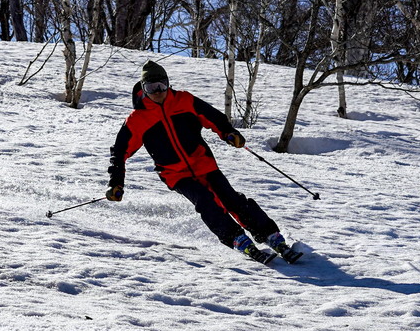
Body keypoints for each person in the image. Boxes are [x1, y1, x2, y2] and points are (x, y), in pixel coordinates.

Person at [106, 60, 300, 264]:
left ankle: (270, 235)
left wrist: (228, 132)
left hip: (204, 164)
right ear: (143, 90)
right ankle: (236, 238)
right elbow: (119, 152)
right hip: (176, 175)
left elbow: (213, 116)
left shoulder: (184, 100)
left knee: (231, 198)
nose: (158, 92)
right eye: (151, 88)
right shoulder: (138, 119)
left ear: (168, 83)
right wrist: (116, 183)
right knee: (206, 201)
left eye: (162, 85)